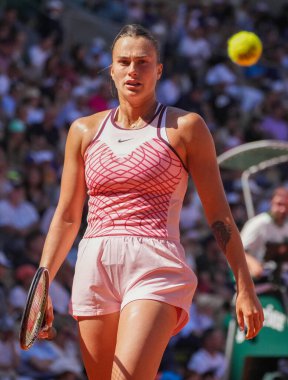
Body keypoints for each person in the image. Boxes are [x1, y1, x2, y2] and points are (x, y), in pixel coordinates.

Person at [37, 24, 264, 380]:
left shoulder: (186, 127)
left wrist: (244, 285)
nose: (133, 70)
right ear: (111, 69)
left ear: (158, 70)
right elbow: (67, 216)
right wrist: (43, 280)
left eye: (143, 62)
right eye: (124, 62)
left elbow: (219, 214)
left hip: (155, 262)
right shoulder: (83, 130)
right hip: (94, 264)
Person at [241, 187, 288, 279]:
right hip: (257, 278)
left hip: (280, 276)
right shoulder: (258, 223)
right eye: (279, 204)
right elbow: (238, 251)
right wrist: (253, 264)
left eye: (286, 205)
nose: (283, 209)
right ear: (271, 202)